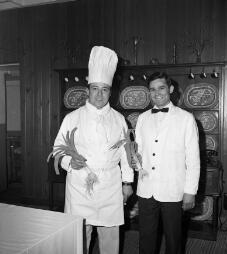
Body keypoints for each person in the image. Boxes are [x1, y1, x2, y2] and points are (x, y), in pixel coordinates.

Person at [54, 46, 134, 254]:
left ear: (110, 91)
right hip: (81, 186)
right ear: (88, 89)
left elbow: (126, 155)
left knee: (110, 238)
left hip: (110, 187)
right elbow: (58, 150)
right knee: (80, 238)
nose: (100, 94)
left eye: (104, 89)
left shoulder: (119, 120)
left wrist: (127, 183)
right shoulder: (72, 118)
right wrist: (69, 162)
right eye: (95, 88)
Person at [135, 72, 200, 254]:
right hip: (146, 189)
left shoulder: (186, 118)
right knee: (146, 237)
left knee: (174, 239)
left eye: (161, 88)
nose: (157, 93)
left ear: (170, 89)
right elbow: (138, 152)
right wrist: (134, 160)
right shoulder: (142, 118)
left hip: (173, 190)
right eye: (152, 89)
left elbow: (193, 159)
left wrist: (190, 192)